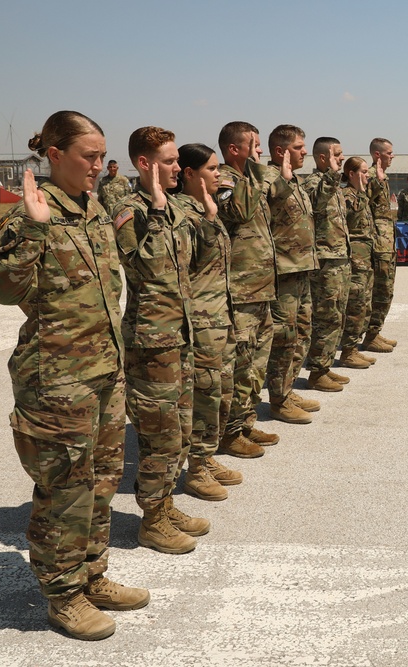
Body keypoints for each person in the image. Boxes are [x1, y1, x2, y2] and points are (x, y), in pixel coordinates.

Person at [0, 110, 149, 640]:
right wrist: (32, 228)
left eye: (102, 155)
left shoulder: (92, 208)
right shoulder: (35, 213)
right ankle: (62, 593)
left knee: (100, 482)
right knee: (64, 487)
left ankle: (92, 573)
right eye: (89, 156)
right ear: (54, 155)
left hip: (103, 371)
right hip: (55, 377)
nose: (99, 165)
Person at [112, 127, 205, 554]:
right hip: (151, 342)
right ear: (145, 165)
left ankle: (164, 505)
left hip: (179, 334)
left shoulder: (172, 209)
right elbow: (145, 265)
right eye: (167, 161)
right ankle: (151, 519)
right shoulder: (131, 210)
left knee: (181, 430)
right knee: (160, 434)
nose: (176, 167)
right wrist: (156, 206)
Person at [170, 143, 243, 501]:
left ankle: (206, 455)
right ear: (189, 174)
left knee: (220, 393)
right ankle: (196, 469)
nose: (219, 174)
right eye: (212, 169)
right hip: (200, 322)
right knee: (204, 393)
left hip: (220, 317)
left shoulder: (207, 209)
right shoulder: (182, 215)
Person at [215, 122, 281, 456]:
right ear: (234, 149)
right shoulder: (224, 179)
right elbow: (238, 211)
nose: (260, 151)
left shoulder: (247, 180)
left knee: (257, 361)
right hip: (239, 290)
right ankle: (228, 432)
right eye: (254, 145)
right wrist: (260, 173)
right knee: (240, 363)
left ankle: (244, 422)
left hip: (260, 287)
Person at [265, 124, 321, 423]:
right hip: (282, 271)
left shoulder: (294, 181)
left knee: (301, 332)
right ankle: (277, 399)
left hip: (301, 268)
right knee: (284, 337)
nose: (304, 152)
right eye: (299, 147)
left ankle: (287, 389)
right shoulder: (269, 180)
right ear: (281, 151)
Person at [302, 136, 351, 391]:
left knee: (336, 316)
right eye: (337, 154)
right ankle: (316, 371)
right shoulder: (313, 182)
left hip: (339, 257)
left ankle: (324, 366)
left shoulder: (334, 185)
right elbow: (316, 203)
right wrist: (332, 175)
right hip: (325, 260)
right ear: (323, 158)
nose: (341, 158)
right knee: (326, 316)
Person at [339, 156, 378, 370]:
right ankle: (347, 351)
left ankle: (352, 348)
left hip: (364, 258)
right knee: (354, 306)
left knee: (363, 305)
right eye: (363, 171)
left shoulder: (360, 195)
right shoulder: (346, 196)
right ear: (351, 174)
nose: (367, 175)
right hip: (354, 259)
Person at [364, 137, 399, 353]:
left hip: (386, 241)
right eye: (389, 153)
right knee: (379, 290)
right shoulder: (368, 176)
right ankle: (369, 335)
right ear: (378, 155)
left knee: (386, 290)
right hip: (377, 243)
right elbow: (364, 207)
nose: (392, 156)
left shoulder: (382, 177)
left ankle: (374, 332)